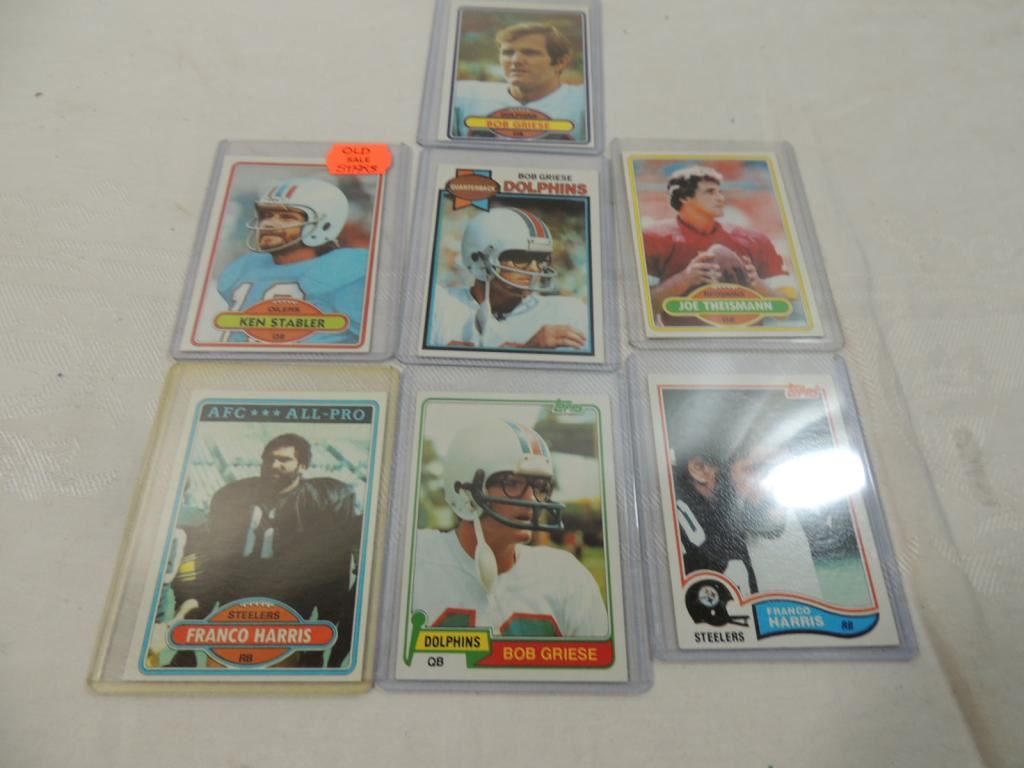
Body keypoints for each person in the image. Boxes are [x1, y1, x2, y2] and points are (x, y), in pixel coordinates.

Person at [413, 419, 608, 637]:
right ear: (466, 492)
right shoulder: (414, 562)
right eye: (511, 483)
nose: (531, 499)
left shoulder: (567, 578)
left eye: (539, 486)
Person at [185, 433, 363, 666]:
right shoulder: (233, 496)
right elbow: (217, 558)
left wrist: (318, 639)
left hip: (289, 599)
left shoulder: (322, 501)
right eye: (268, 459)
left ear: (303, 465)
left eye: (284, 460)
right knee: (228, 664)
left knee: (282, 667)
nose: (273, 465)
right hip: (240, 596)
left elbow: (331, 568)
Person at [216, 178, 369, 344]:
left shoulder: (344, 269)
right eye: (266, 215)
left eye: (287, 218)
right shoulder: (248, 265)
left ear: (324, 225)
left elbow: (371, 340)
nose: (269, 224)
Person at [642, 166, 795, 325]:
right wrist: (684, 279)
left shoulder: (755, 239)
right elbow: (641, 309)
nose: (720, 198)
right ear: (684, 198)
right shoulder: (654, 238)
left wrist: (758, 284)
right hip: (681, 338)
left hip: (743, 338)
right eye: (710, 192)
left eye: (720, 192)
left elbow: (785, 311)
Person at [427, 207, 590, 352]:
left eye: (541, 259)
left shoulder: (568, 313)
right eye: (520, 258)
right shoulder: (439, 306)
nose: (534, 269)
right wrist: (529, 351)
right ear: (480, 260)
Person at [451, 22, 588, 142]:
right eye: (508, 53)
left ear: (560, 62)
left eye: (530, 53)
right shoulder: (464, 96)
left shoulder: (584, 102)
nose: (515, 60)